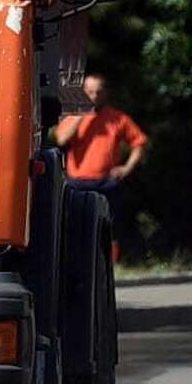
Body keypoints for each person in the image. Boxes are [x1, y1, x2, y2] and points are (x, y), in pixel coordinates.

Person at [54, 73, 148, 263]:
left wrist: (126, 168)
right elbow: (61, 140)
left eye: (98, 92)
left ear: (105, 93)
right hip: (77, 182)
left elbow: (140, 143)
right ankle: (75, 263)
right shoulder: (72, 116)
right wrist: (82, 115)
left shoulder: (117, 118)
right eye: (89, 92)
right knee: (74, 224)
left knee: (109, 225)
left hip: (106, 182)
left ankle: (109, 266)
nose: (94, 96)